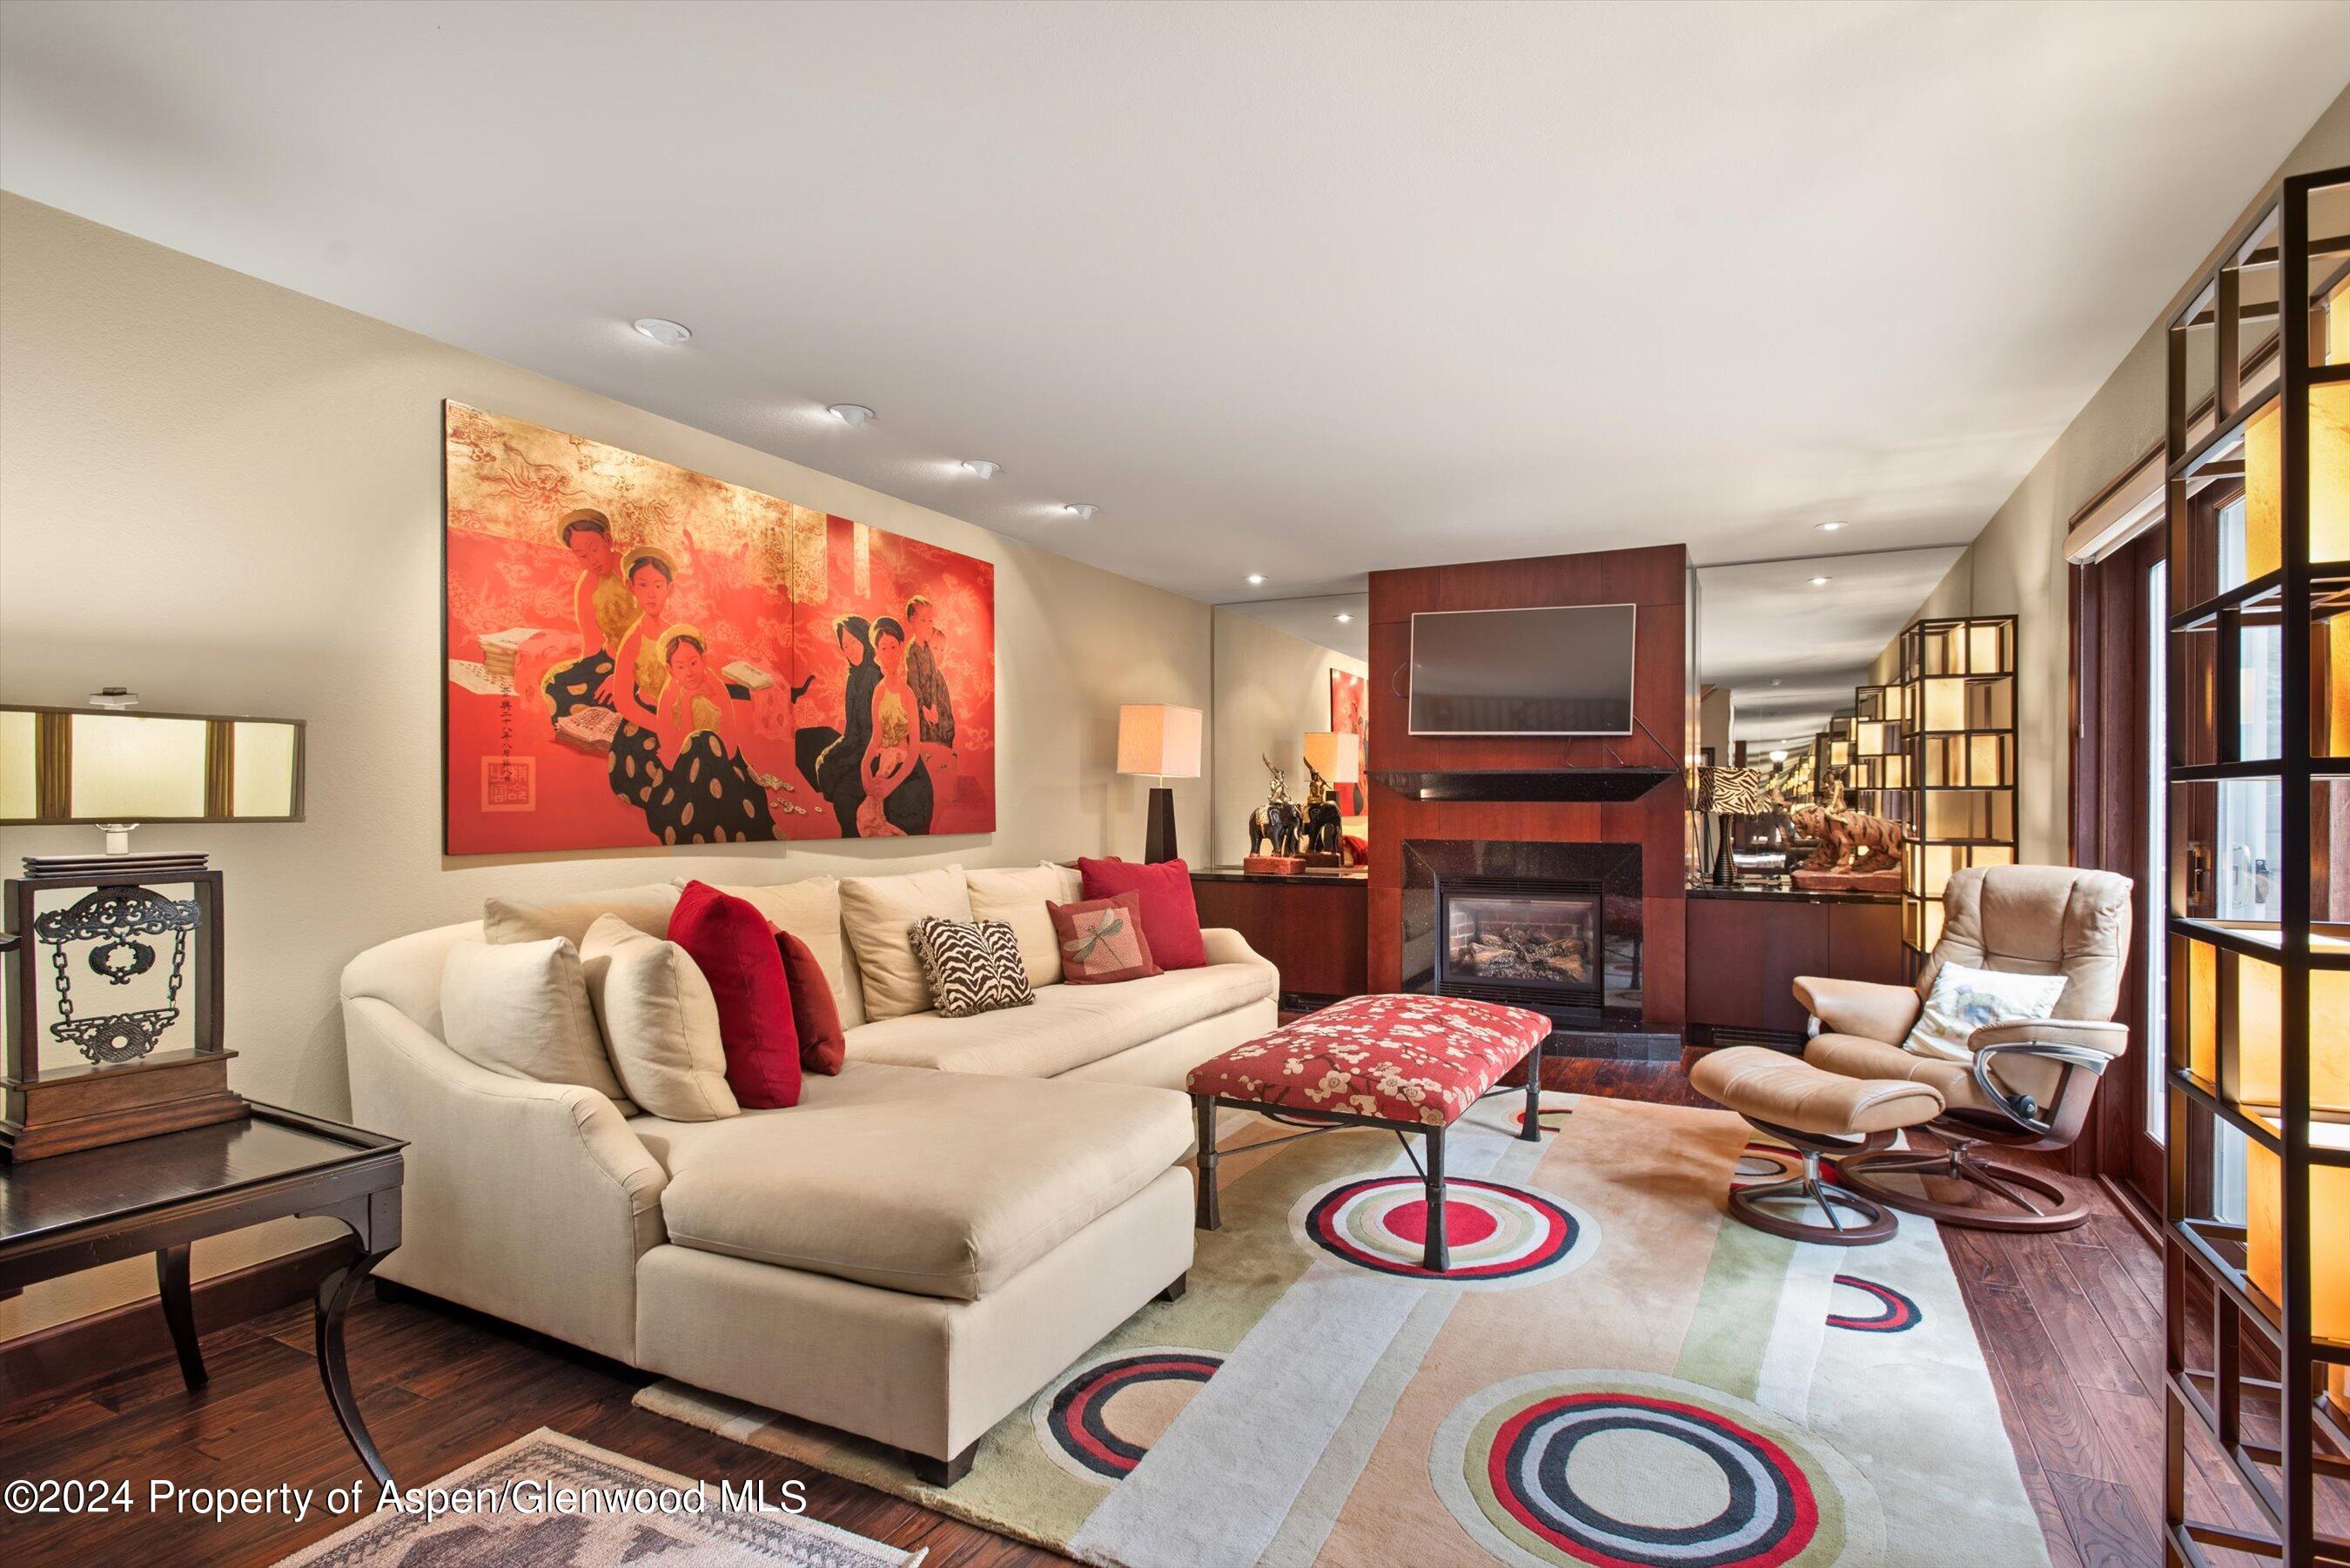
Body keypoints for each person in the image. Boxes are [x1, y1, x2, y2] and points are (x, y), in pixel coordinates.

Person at [641, 627, 777, 844]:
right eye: (680, 667)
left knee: (705, 741)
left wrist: (708, 750)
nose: (689, 672)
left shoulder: (717, 688)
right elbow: (672, 754)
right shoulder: (668, 696)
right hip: (681, 775)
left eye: (694, 663)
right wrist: (686, 704)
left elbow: (731, 747)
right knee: (697, 743)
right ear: (670, 670)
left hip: (723, 767)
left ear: (703, 660)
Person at [540, 509, 636, 723]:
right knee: (555, 684)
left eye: (594, 549)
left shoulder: (635, 572)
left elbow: (655, 636)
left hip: (645, 663)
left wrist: (622, 678)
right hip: (609, 660)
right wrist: (590, 676)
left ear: (608, 539)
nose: (592, 560)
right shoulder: (586, 585)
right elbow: (592, 645)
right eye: (582, 555)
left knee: (626, 697)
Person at [903, 594, 958, 801]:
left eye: (930, 620)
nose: (928, 625)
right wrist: (924, 708)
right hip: (918, 707)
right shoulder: (912, 650)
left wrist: (933, 704)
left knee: (940, 736)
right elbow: (914, 684)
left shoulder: (927, 647)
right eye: (923, 620)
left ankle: (941, 780)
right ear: (912, 621)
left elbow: (934, 678)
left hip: (931, 705)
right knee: (923, 744)